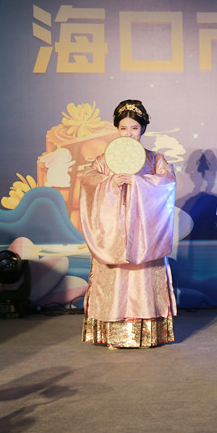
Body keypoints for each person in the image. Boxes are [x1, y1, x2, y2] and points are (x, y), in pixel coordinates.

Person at [80, 100, 177, 349]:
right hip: (112, 234)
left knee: (142, 280)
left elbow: (167, 183)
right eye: (123, 128)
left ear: (142, 129)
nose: (129, 133)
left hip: (144, 236)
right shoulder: (103, 160)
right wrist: (109, 184)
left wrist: (139, 182)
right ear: (117, 129)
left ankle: (147, 333)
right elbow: (89, 181)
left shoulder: (154, 159)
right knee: (114, 280)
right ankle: (112, 334)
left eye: (134, 128)